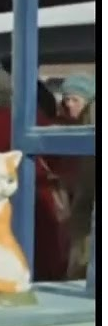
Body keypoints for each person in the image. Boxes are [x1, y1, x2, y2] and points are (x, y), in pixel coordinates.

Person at [0, 67, 71, 280]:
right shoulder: (33, 117)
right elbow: (55, 155)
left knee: (0, 249)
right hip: (37, 191)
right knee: (43, 252)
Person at [57, 73, 96, 278]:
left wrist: (80, 201)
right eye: (66, 100)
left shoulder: (92, 117)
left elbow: (90, 169)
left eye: (75, 100)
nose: (69, 105)